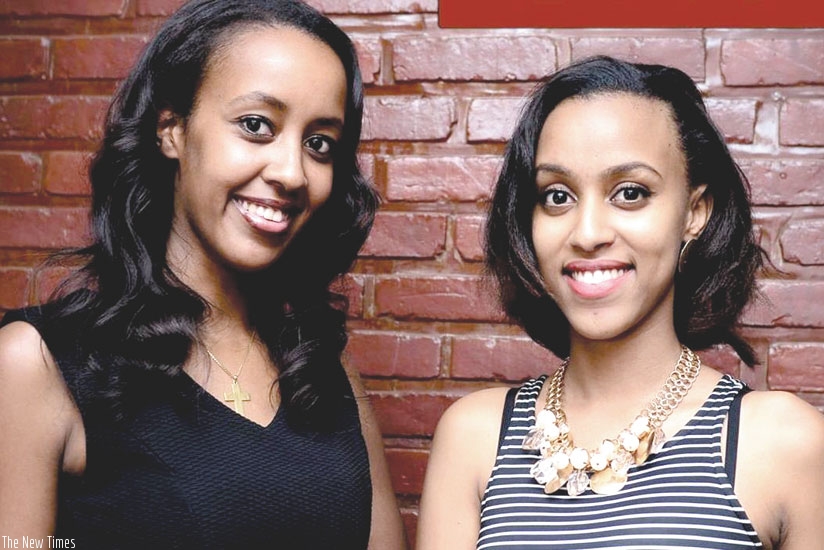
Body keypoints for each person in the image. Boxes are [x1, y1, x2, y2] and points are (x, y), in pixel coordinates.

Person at [0, 0, 407, 548]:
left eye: (319, 143)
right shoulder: (37, 363)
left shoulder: (322, 369)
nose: (292, 172)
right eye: (256, 125)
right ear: (171, 129)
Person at [416, 56, 824, 549]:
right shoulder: (474, 437)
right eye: (558, 196)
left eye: (630, 193)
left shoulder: (783, 442)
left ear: (694, 212)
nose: (588, 233)